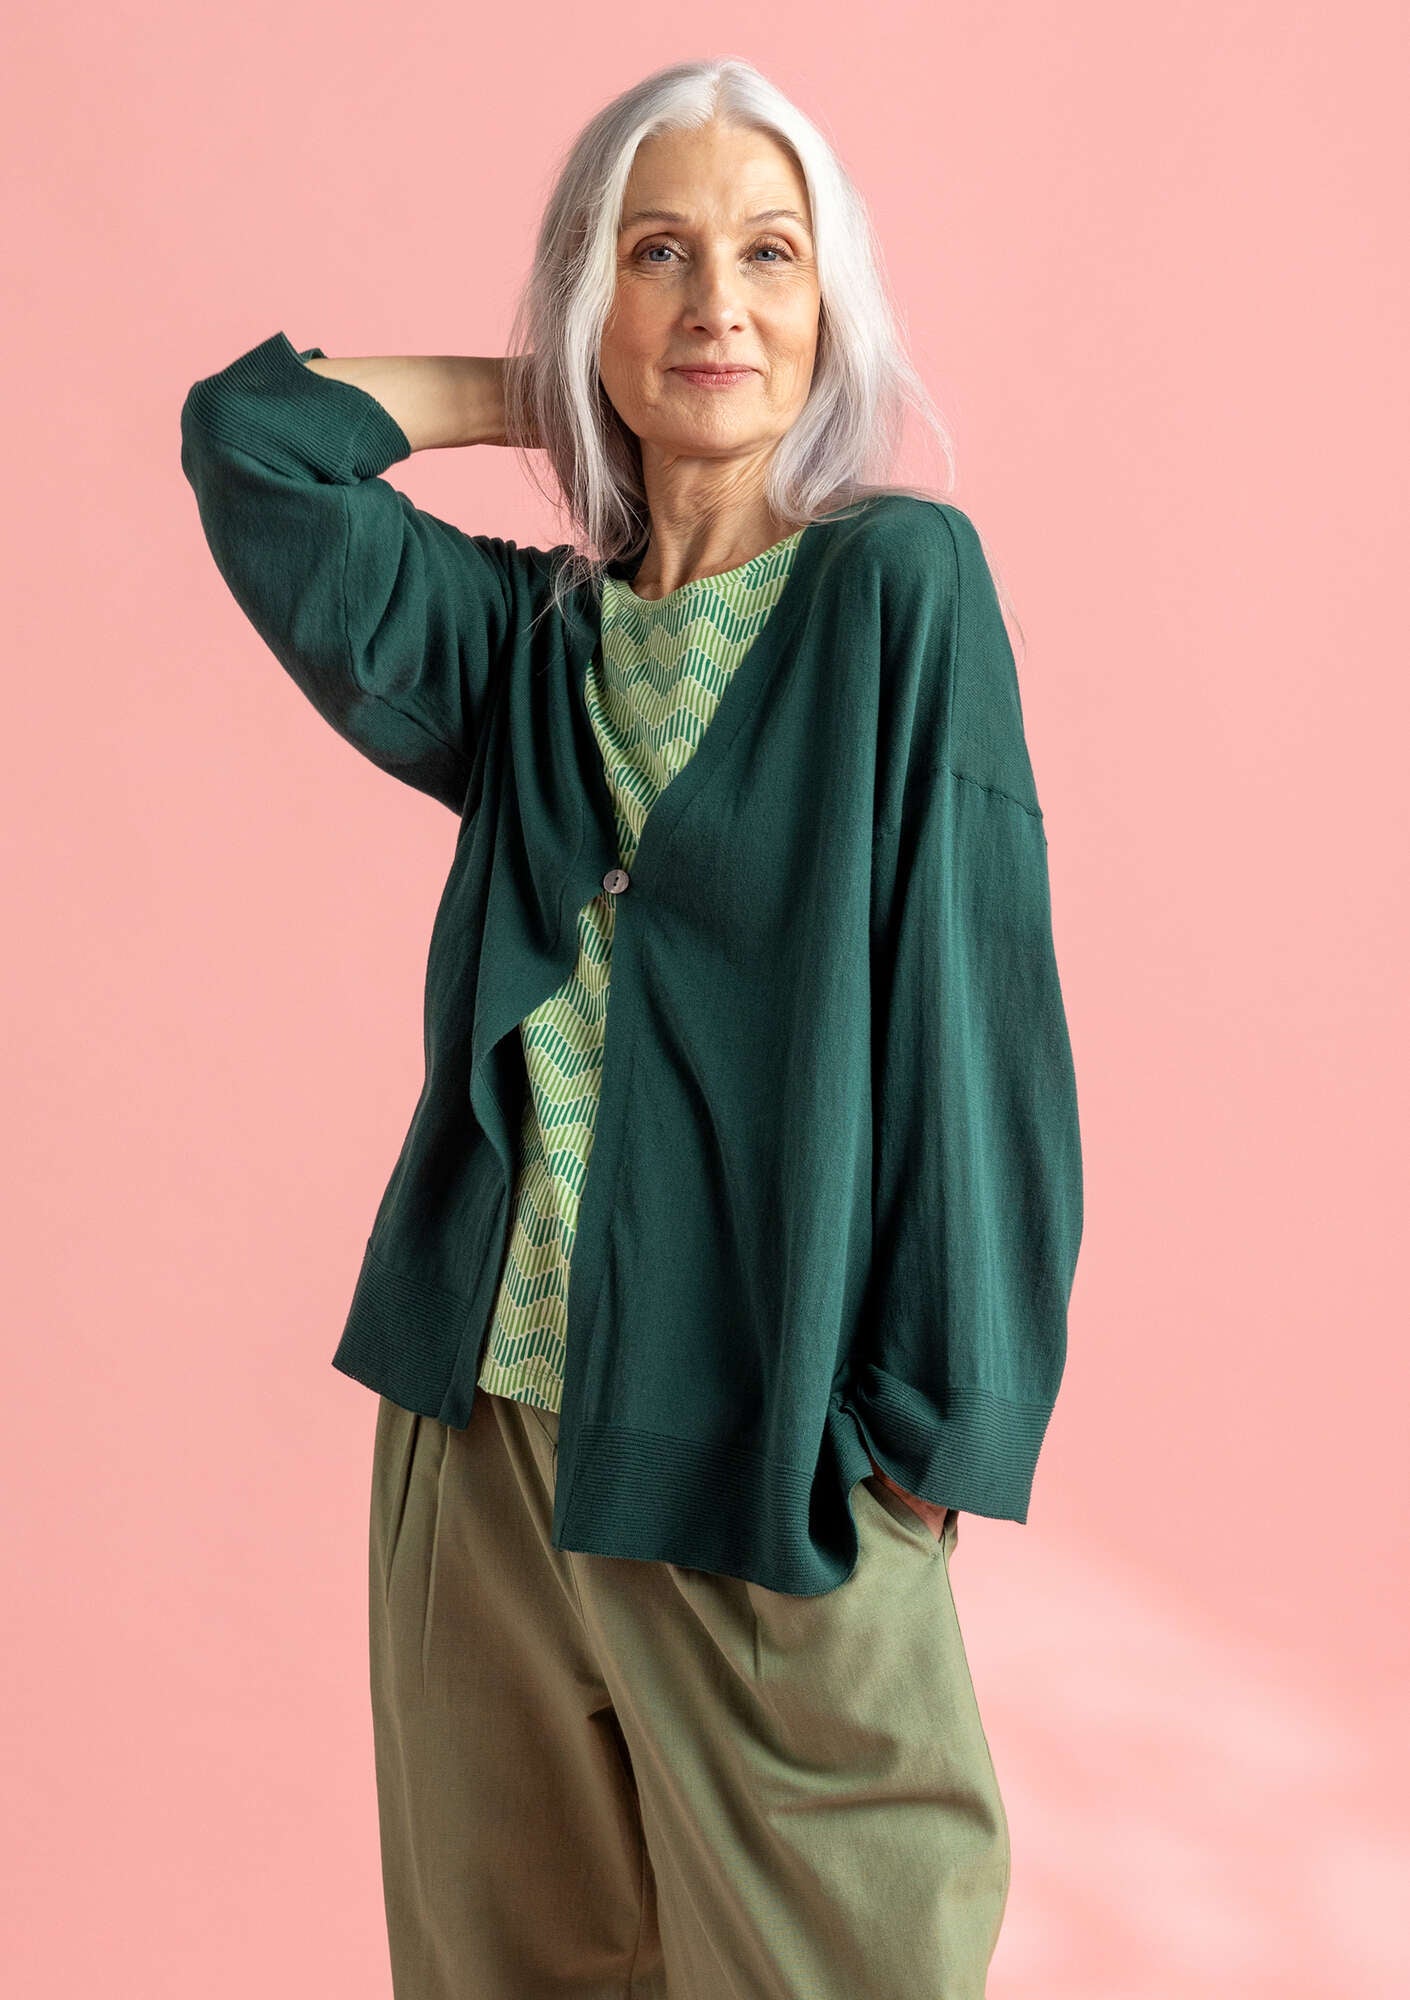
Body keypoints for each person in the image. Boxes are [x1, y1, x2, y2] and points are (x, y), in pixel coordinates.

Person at [180, 56, 1083, 2000]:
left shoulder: (893, 589)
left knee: (858, 1955)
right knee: (502, 1967)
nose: (718, 303)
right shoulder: (525, 643)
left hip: (760, 1433)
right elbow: (255, 447)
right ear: (591, 297)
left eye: (771, 255)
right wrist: (558, 390)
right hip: (481, 1430)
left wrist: (935, 1433)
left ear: (831, 304)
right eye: (656, 255)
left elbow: (980, 1006)